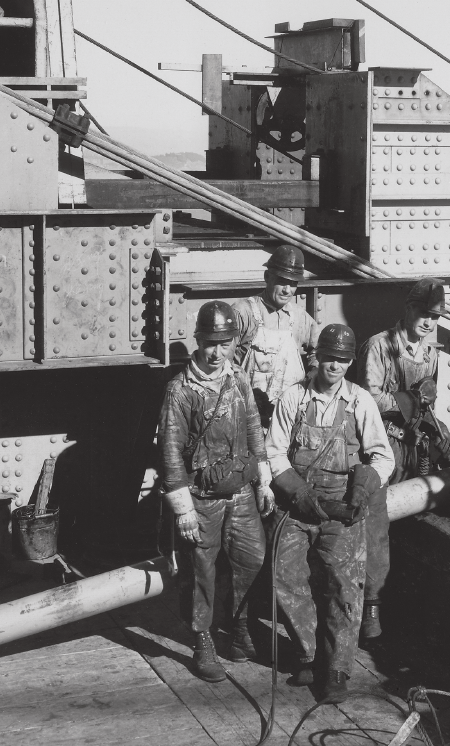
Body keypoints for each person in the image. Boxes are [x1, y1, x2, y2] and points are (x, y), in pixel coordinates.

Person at [266, 324, 394, 702]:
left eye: (342, 359)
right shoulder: (293, 398)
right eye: (328, 358)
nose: (334, 365)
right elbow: (274, 453)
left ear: (350, 362)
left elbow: (382, 456)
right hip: (298, 505)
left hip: (342, 506)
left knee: (344, 585)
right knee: (285, 575)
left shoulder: (360, 401)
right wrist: (298, 492)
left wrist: (362, 490)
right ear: (317, 357)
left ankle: (337, 669)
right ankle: (307, 655)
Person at [158, 301, 275, 682]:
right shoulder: (180, 391)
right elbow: (170, 451)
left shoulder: (238, 378)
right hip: (201, 497)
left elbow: (254, 428)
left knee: (252, 558)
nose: (217, 352)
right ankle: (203, 641)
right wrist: (183, 510)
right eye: (210, 343)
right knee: (201, 571)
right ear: (198, 341)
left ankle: (239, 629)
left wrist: (263, 480)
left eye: (224, 344)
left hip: (240, 492)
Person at [355, 278, 450, 639]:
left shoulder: (430, 354)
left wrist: (439, 432)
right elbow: (366, 398)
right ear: (408, 309)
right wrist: (407, 401)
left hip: (414, 450)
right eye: (423, 313)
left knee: (414, 522)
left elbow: (425, 407)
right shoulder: (379, 346)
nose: (429, 322)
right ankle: (370, 608)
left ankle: (403, 602)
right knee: (377, 528)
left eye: (435, 317)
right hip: (381, 448)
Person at [232, 245, 322, 428]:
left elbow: (320, 351)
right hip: (248, 415)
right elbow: (224, 362)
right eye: (282, 281)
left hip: (289, 415)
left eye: (293, 283)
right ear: (267, 277)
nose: (287, 290)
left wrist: (314, 369)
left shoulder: (300, 317)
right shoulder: (243, 312)